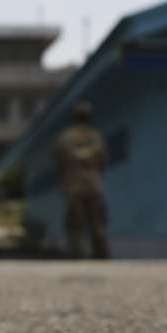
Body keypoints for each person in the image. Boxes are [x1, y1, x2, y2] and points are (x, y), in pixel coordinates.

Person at [54, 101, 110, 259]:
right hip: (93, 184)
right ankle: (102, 257)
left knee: (75, 225)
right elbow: (104, 161)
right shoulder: (96, 137)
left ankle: (76, 257)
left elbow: (58, 163)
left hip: (72, 185)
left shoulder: (64, 138)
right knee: (98, 223)